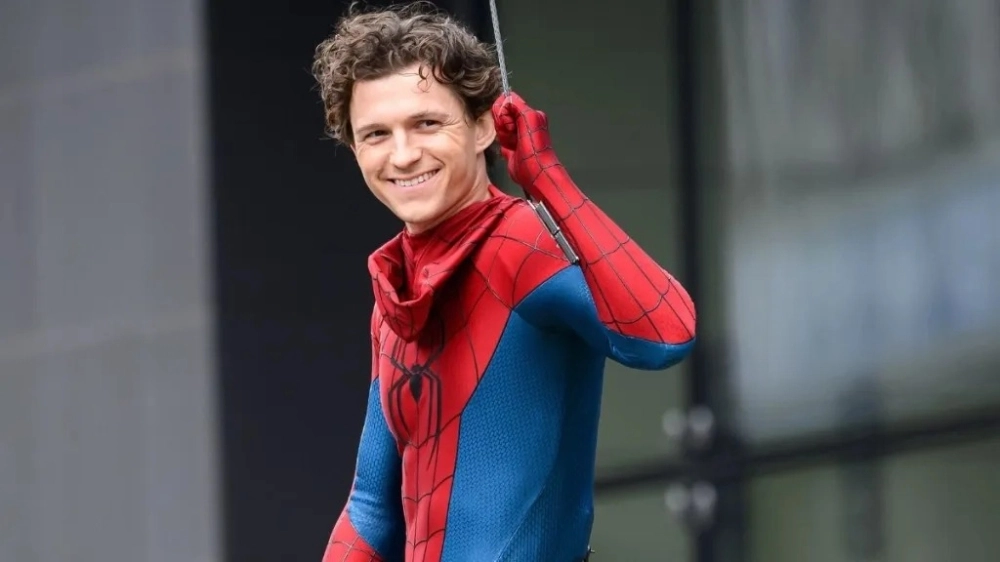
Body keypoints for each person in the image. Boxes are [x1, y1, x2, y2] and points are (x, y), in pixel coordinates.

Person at [312, 3, 696, 560]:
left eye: (426, 123)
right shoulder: (396, 290)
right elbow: (372, 507)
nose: (403, 154)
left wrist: (547, 178)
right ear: (355, 149)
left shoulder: (519, 244)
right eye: (375, 134)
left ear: (483, 126)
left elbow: (664, 336)